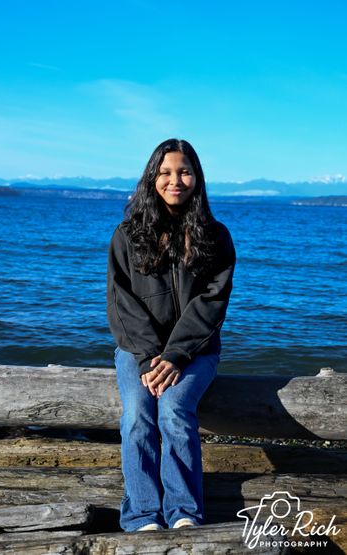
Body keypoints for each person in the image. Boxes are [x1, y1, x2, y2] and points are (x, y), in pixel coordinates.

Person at [107, 138, 235, 532]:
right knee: (137, 418)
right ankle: (143, 516)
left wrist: (176, 355)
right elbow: (122, 304)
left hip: (196, 352)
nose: (174, 180)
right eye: (165, 172)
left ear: (197, 178)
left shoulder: (215, 236)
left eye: (184, 171)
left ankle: (184, 513)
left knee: (175, 412)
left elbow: (211, 305)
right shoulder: (127, 235)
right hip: (137, 350)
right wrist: (149, 358)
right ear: (152, 177)